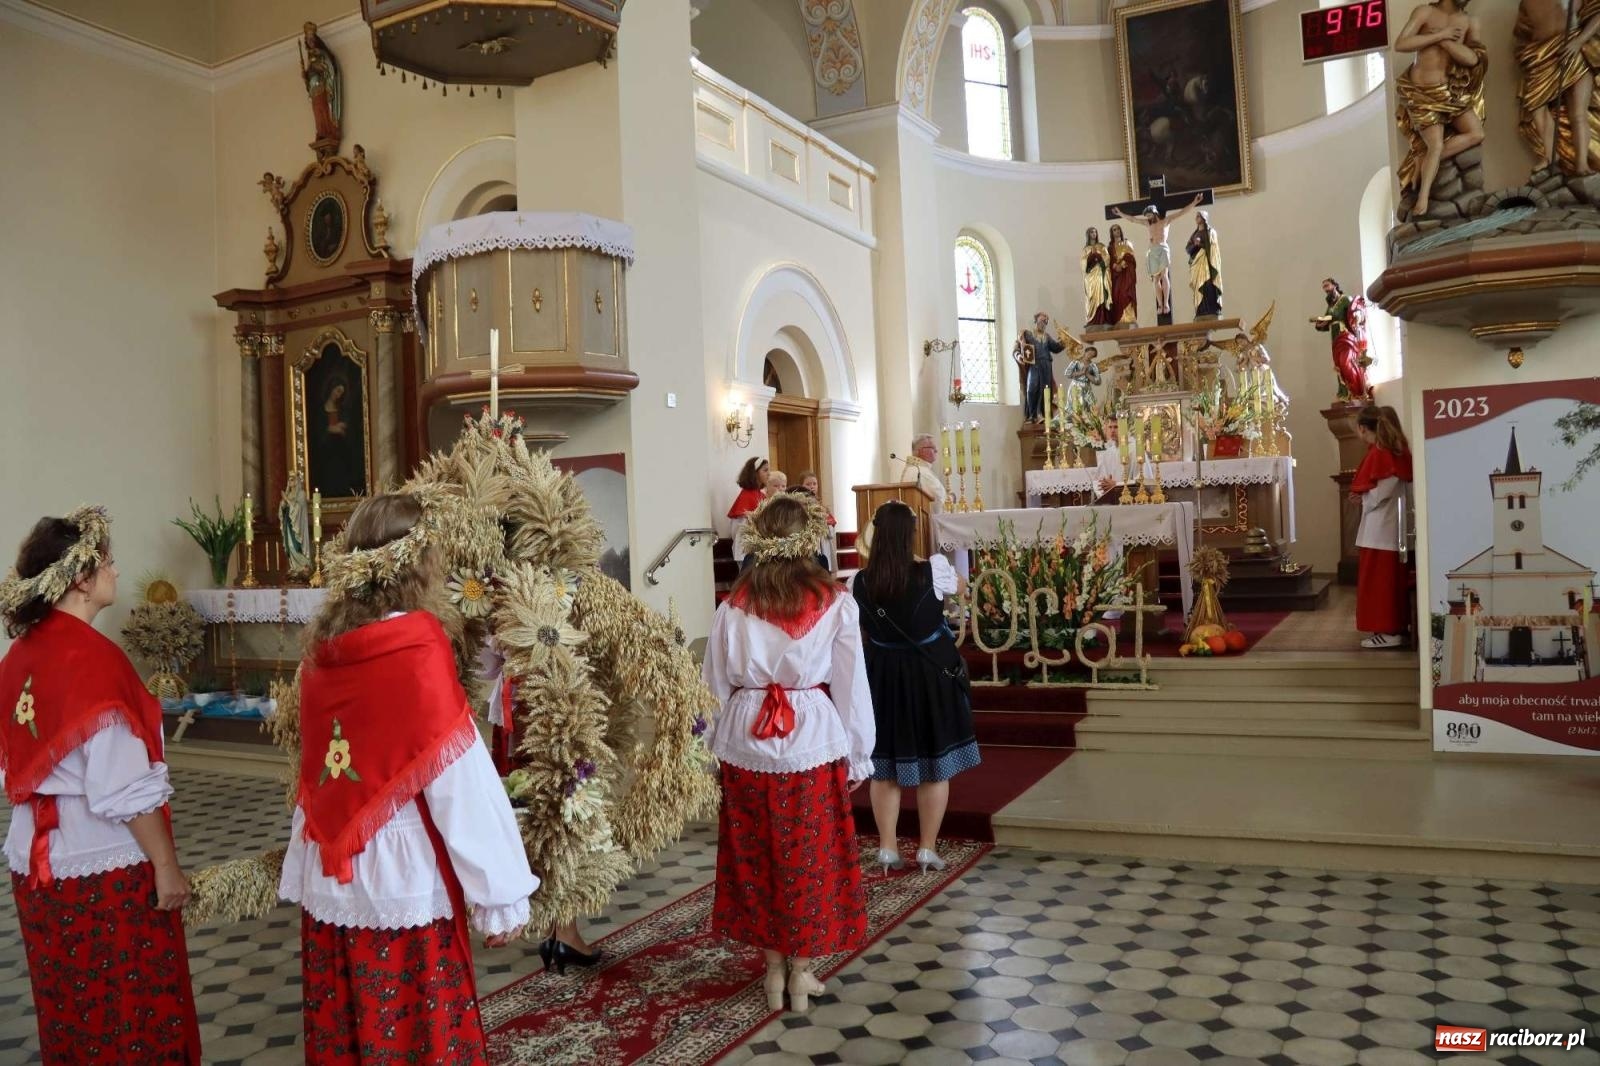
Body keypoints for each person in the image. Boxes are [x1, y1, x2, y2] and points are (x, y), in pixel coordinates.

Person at [282, 493, 539, 1064]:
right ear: (419, 562)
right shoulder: (416, 645)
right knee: (419, 1033)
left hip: (335, 871)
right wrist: (499, 892)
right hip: (404, 875)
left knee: (349, 1022)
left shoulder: (324, 652)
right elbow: (458, 782)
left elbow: (325, 768)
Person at [0, 506, 202, 1063]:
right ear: (81, 580)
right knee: (132, 1009)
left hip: (35, 861)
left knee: (71, 1005)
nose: (115, 569)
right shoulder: (93, 659)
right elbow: (124, 789)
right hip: (102, 864)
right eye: (107, 561)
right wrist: (166, 864)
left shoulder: (19, 656)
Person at [701, 493, 873, 1014]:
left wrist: (707, 749)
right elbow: (850, 684)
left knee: (756, 858)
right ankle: (801, 974)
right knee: (809, 856)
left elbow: (712, 685)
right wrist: (860, 752)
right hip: (811, 742)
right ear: (809, 541)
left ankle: (773, 971)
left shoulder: (733, 605)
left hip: (745, 741)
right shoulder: (836, 602)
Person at [850, 501, 980, 876]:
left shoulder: (857, 582)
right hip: (928, 674)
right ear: (910, 535)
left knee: (885, 767)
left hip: (883, 675)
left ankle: (888, 849)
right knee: (934, 765)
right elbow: (961, 589)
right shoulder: (933, 570)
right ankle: (926, 849)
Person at [1394, 0, 1487, 216]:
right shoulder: (1425, 12)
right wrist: (1439, 35)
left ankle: (1425, 161)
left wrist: (1446, 42)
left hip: (1449, 91)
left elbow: (1474, 58)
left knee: (1476, 132)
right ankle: (1423, 199)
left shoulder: (1470, 21)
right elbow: (1402, 44)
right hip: (1421, 91)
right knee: (1435, 145)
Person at [1351, 407, 1414, 649]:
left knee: (1382, 585)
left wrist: (1363, 499)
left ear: (1363, 428)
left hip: (1384, 529)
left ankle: (1390, 632)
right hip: (1383, 528)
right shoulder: (1391, 450)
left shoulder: (1384, 452)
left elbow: (1384, 491)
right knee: (1379, 583)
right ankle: (1385, 630)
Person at [1515, 0, 1600, 176]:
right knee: (1536, 106)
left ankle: (1582, 164)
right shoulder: (1526, 2)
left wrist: (1579, 41)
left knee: (1577, 113)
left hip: (1571, 49)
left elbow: (1598, 14)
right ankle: (1550, 155)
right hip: (1540, 55)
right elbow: (1523, 32)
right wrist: (1527, 54)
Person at [1112, 193, 1202, 326]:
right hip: (1152, 251)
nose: (1148, 218)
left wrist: (1194, 202)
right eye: (1147, 216)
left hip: (1163, 249)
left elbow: (1181, 212)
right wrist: (1120, 213)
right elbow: (1132, 219)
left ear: (1154, 213)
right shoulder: (1148, 224)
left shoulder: (1165, 221)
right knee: (1155, 279)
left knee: (1164, 276)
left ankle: (1166, 304)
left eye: (1149, 215)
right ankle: (1160, 305)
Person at [1310, 278, 1373, 404]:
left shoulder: (1345, 299)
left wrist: (1357, 316)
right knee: (1339, 366)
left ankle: (1356, 392)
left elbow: (1356, 311)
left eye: (1327, 286)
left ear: (1335, 285)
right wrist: (1318, 323)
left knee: (1346, 363)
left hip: (1346, 336)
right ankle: (1344, 393)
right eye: (1324, 288)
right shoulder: (1330, 306)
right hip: (1335, 338)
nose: (1326, 289)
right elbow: (1326, 322)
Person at [1014, 311, 1065, 423]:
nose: (1044, 323)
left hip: (1046, 365)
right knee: (1032, 388)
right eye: (1042, 320)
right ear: (1036, 320)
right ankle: (1032, 415)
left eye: (1046, 322)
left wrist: (1064, 342)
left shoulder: (1047, 337)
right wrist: (1019, 356)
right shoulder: (1028, 334)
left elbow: (1055, 348)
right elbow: (1017, 348)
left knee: (1045, 390)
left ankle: (1042, 414)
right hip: (1034, 365)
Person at [728, 456, 769, 561]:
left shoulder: (762, 496)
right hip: (745, 550)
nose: (769, 474)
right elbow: (737, 528)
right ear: (755, 473)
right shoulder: (746, 496)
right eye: (765, 470)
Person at [1186, 211, 1223, 319]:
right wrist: (1195, 245)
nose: (1197, 218)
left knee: (1208, 284)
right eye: (1196, 216)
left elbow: (1213, 248)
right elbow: (1188, 249)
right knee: (1199, 286)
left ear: (1204, 218)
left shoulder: (1210, 232)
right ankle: (1201, 309)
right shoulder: (1194, 234)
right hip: (1197, 265)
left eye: (1199, 216)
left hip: (1208, 263)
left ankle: (1211, 308)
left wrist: (1201, 245)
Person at [901, 434, 948, 513]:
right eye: (933, 448)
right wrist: (950, 498)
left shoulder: (912, 469)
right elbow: (938, 500)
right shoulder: (921, 472)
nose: (936, 450)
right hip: (925, 521)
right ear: (921, 451)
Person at [1081, 227, 1114, 330]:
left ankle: (1103, 319)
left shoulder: (1102, 246)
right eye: (1091, 232)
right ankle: (1093, 319)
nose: (1094, 234)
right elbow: (1083, 264)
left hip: (1101, 273)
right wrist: (1090, 258)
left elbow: (1107, 258)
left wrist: (1099, 257)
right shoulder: (1085, 249)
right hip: (1091, 276)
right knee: (1092, 297)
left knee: (1102, 294)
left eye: (1095, 232)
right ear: (1088, 234)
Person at [1108, 224, 1139, 328]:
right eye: (1114, 230)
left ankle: (1129, 317)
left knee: (1126, 294)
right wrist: (1115, 266)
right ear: (1111, 233)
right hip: (1116, 276)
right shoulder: (1110, 247)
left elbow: (1132, 258)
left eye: (1117, 229)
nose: (1116, 231)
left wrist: (1123, 264)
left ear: (1120, 230)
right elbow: (1109, 261)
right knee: (1117, 295)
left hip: (1126, 274)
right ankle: (1119, 318)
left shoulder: (1127, 243)